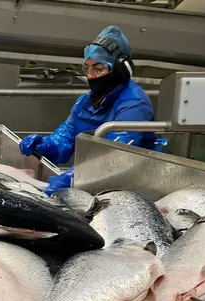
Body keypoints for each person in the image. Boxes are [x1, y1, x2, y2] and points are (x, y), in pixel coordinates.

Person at [19, 25, 156, 196]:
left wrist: (72, 177)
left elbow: (116, 158)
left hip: (134, 190)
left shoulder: (134, 104)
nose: (90, 76)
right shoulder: (85, 102)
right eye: (87, 68)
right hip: (93, 187)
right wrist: (46, 146)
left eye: (98, 69)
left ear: (119, 70)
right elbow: (66, 137)